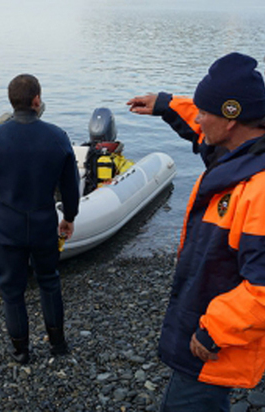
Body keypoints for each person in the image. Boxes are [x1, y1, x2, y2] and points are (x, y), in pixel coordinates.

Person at [127, 52, 265, 411]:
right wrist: (166, 105)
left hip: (215, 345)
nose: (199, 119)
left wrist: (214, 330)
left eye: (205, 112)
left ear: (231, 119)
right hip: (206, 327)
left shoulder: (259, 190)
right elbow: (202, 127)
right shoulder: (240, 150)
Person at [0, 74, 80, 364]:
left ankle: (21, 351)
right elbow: (71, 184)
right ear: (37, 100)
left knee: (11, 289)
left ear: (12, 101)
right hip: (44, 222)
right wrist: (69, 216)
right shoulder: (57, 136)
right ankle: (58, 345)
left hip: (9, 225)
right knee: (49, 281)